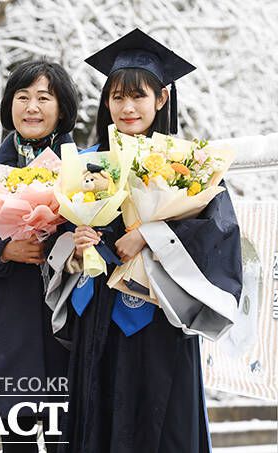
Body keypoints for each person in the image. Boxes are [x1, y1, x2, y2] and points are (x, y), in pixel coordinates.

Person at [51, 29, 243, 453]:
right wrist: (76, 249)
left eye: (138, 96)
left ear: (162, 98)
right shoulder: (87, 164)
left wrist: (150, 235)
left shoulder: (190, 166)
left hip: (159, 320)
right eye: (117, 97)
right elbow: (57, 239)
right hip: (98, 320)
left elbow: (218, 236)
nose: (127, 107)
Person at [0, 60, 78, 452]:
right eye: (22, 97)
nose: (31, 107)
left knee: (68, 439)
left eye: (44, 98)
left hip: (65, 328)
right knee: (16, 443)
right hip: (8, 328)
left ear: (62, 108)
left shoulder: (83, 169)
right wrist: (4, 250)